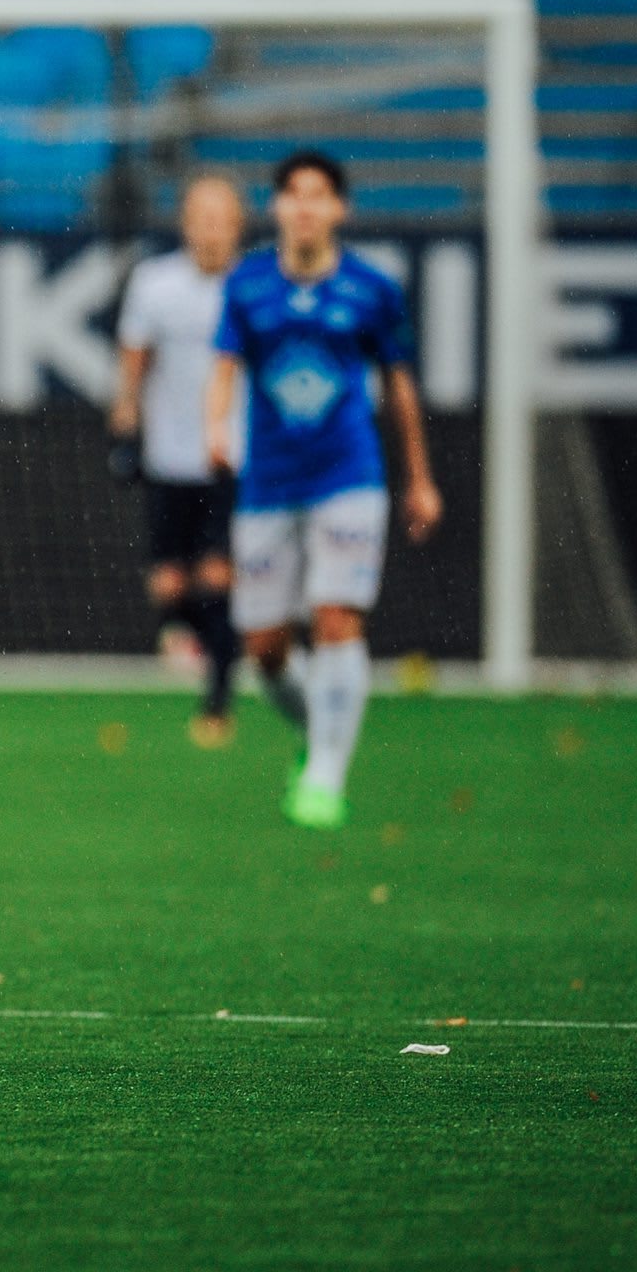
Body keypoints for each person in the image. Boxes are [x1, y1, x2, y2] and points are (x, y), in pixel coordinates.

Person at [207, 149, 442, 832]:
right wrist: (215, 427)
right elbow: (224, 366)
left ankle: (326, 775)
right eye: (294, 194)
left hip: (348, 474)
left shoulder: (372, 289)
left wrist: (419, 479)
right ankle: (322, 733)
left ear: (339, 208)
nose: (305, 207)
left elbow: (399, 384)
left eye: (318, 195)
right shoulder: (248, 285)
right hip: (269, 481)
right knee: (265, 649)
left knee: (336, 619)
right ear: (276, 207)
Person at [110, 174, 247, 748]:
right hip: (169, 457)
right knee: (169, 586)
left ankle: (217, 699)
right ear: (185, 225)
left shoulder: (254, 286)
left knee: (216, 577)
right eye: (201, 219)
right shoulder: (155, 284)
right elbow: (134, 363)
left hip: (233, 457)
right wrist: (125, 430)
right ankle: (213, 647)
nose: (210, 232)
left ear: (238, 226)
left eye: (221, 220)